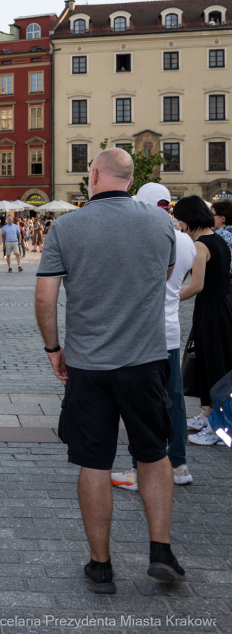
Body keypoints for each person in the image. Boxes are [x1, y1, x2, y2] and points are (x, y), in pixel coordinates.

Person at [35, 148, 184, 593]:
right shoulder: (160, 223)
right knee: (153, 453)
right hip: (144, 361)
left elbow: (45, 299)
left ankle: (101, 565)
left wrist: (53, 348)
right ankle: (161, 549)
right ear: (131, 178)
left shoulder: (65, 226)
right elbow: (167, 273)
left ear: (94, 174)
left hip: (88, 364)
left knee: (94, 461)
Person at [112, 183, 196, 490]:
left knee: (141, 404)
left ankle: (140, 469)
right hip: (170, 329)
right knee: (174, 399)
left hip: (141, 333)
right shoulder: (186, 240)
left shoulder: (137, 236)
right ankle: (178, 465)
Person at [172, 196, 232, 446]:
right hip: (222, 306)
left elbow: (197, 285)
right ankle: (209, 415)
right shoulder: (218, 239)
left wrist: (170, 299)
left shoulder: (200, 246)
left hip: (211, 309)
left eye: (180, 219)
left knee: (214, 364)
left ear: (190, 218)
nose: (179, 224)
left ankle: (219, 427)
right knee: (214, 363)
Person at [212, 200, 232, 275]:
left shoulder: (219, 235)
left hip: (225, 277)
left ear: (223, 219)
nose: (212, 217)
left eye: (214, 215)